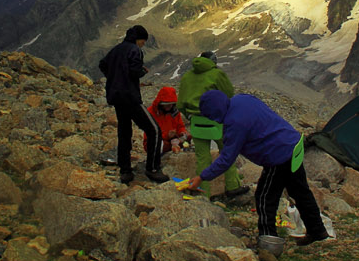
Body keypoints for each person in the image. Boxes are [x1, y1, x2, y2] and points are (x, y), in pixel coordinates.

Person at [183, 90, 330, 245]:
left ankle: (268, 239)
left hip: (277, 156)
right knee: (300, 192)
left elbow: (226, 159)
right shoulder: (241, 99)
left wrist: (202, 177)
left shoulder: (235, 123)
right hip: (291, 144)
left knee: (264, 197)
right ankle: (318, 232)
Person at [98, 24, 167, 183]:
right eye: (143, 41)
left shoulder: (116, 49)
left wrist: (113, 77)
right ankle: (153, 169)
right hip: (130, 96)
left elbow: (102, 64)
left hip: (116, 97)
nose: (143, 44)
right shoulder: (135, 50)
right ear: (139, 39)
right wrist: (142, 71)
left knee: (124, 132)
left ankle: (125, 170)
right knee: (154, 130)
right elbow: (135, 72)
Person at [177, 52, 248, 198]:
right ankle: (232, 186)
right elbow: (228, 94)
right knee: (227, 153)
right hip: (216, 121)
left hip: (196, 122)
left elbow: (180, 103)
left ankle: (204, 194)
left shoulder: (187, 76)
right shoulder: (217, 74)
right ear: (213, 61)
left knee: (203, 158)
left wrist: (189, 116)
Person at [145, 86, 191, 155]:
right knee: (159, 145)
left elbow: (180, 126)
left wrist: (182, 132)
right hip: (158, 141)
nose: (169, 107)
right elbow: (150, 134)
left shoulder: (174, 112)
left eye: (171, 104)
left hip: (173, 140)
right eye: (166, 105)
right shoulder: (151, 112)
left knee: (189, 137)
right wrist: (167, 136)